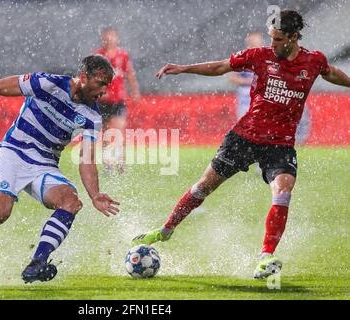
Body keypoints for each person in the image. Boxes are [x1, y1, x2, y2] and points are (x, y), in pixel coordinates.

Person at [132, 10, 350, 279]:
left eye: (278, 39)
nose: (273, 44)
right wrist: (184, 68)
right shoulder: (260, 56)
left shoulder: (313, 60)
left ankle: (265, 257)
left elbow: (331, 73)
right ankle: (164, 230)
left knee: (283, 190)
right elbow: (221, 66)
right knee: (204, 186)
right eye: (271, 38)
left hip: (280, 145)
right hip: (245, 137)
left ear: (294, 37)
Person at [0, 55, 120, 289]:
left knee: (71, 202)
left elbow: (86, 159)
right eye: (101, 83)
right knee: (0, 212)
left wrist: (95, 194)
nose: (104, 91)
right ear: (83, 77)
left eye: (107, 85)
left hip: (44, 164)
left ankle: (37, 262)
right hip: (13, 152)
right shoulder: (47, 83)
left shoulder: (92, 116)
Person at [230, 31, 311, 144]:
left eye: (257, 39)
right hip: (246, 99)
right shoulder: (243, 55)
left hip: (264, 97)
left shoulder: (269, 55)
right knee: (247, 127)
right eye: (253, 39)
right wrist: (249, 81)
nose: (255, 41)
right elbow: (232, 78)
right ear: (248, 41)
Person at [94, 27, 141, 172]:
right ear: (103, 39)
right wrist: (99, 91)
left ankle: (121, 163)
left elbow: (130, 74)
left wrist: (135, 92)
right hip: (102, 100)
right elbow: (92, 77)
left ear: (116, 38)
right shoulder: (98, 56)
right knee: (107, 133)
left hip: (118, 99)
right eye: (107, 37)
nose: (110, 40)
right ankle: (108, 164)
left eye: (112, 37)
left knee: (119, 130)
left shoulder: (123, 55)